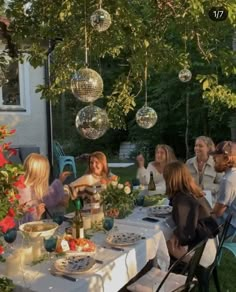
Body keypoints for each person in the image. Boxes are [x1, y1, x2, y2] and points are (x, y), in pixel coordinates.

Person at [163, 161, 218, 265]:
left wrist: (177, 235)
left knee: (160, 244)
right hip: (210, 247)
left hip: (200, 257)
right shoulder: (194, 192)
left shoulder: (182, 200)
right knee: (169, 238)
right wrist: (176, 233)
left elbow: (186, 235)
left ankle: (161, 274)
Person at [18, 153, 71, 223]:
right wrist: (37, 213)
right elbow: (22, 223)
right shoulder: (24, 192)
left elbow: (47, 195)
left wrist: (60, 180)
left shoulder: (30, 187)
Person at [211, 141, 236, 236]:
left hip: (231, 228)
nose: (213, 158)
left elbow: (218, 212)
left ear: (227, 158)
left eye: (217, 156)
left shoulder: (228, 179)